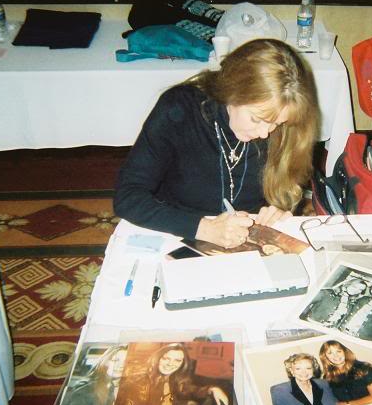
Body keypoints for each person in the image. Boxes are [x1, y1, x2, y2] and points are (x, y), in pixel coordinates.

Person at [114, 39, 320, 248]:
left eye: (277, 123)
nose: (264, 133)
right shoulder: (180, 109)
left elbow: (284, 194)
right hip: (179, 228)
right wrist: (204, 229)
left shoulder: (287, 128)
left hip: (248, 238)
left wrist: (276, 211)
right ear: (233, 92)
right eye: (256, 119)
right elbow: (127, 197)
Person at [114, 343, 230, 405]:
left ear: (182, 364)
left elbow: (192, 389)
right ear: (158, 358)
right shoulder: (139, 383)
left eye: (177, 360)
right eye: (166, 358)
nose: (170, 364)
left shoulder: (174, 378)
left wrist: (212, 389)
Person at [56, 345, 128, 405]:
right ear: (106, 361)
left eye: (126, 362)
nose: (121, 365)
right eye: (115, 360)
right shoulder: (86, 390)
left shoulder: (123, 391)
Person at [318, 340, 372, 405]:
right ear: (325, 357)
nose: (336, 355)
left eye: (338, 351)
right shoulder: (328, 378)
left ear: (344, 351)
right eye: (330, 353)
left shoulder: (364, 368)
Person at [269, 353, 338, 405]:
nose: (304, 372)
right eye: (298, 369)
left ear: (313, 369)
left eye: (308, 368)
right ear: (291, 371)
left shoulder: (324, 384)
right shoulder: (281, 391)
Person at [299, 278, 367, 328]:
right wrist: (301, 321)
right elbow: (303, 305)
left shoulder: (350, 302)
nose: (356, 290)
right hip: (311, 324)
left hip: (328, 328)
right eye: (354, 287)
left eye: (360, 290)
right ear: (348, 284)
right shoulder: (326, 293)